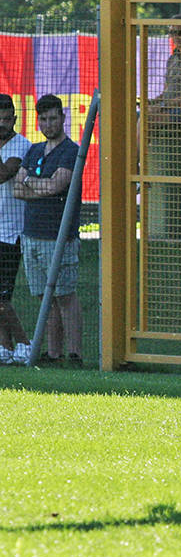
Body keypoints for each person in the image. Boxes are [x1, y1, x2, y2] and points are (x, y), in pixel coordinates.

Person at [12, 95, 82, 368]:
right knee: (44, 297)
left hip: (59, 237)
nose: (48, 124)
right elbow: (18, 190)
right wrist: (37, 184)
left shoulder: (71, 151)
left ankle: (75, 354)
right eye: (43, 119)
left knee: (65, 295)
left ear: (63, 118)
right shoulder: (34, 150)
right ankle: (54, 354)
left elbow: (57, 186)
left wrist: (30, 182)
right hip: (32, 234)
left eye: (53, 118)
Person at [146, 15, 181, 240]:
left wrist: (164, 105)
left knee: (147, 120)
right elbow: (168, 91)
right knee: (139, 115)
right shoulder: (172, 59)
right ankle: (140, 163)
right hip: (169, 110)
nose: (176, 37)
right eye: (172, 33)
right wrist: (154, 102)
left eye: (180, 33)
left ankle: (139, 168)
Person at [0, 94, 31, 365]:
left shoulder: (22, 146)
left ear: (15, 119)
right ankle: (4, 347)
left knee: (2, 296)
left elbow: (3, 174)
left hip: (11, 232)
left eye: (6, 119)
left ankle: (24, 343)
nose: (2, 123)